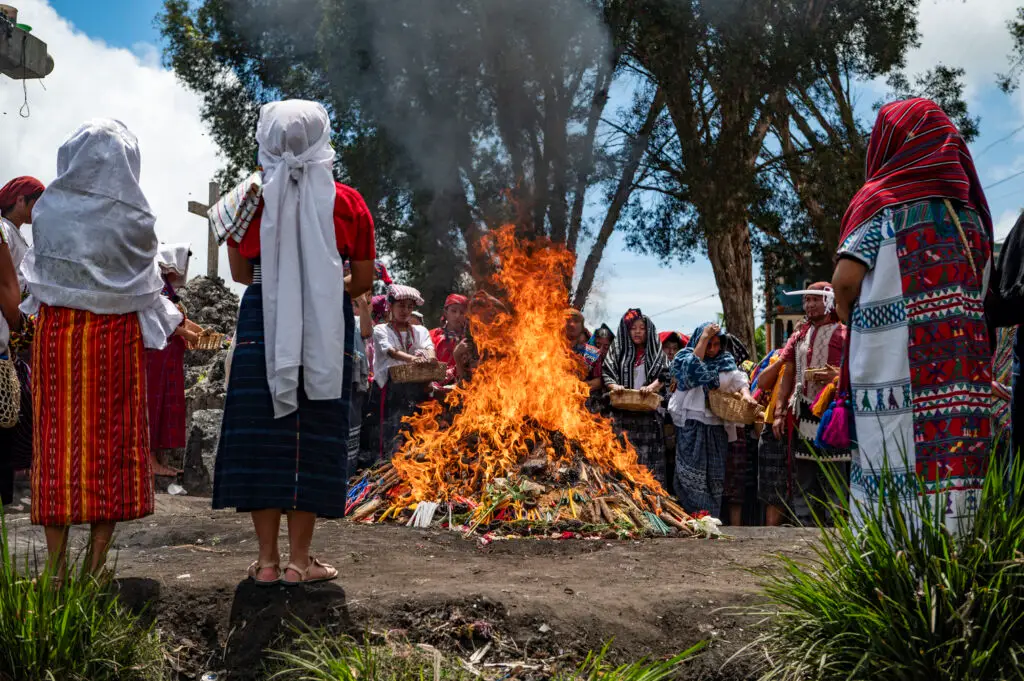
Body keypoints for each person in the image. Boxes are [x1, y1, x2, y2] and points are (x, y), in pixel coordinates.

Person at [214, 100, 375, 586]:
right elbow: (363, 279)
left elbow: (243, 274)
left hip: (265, 318)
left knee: (263, 435)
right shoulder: (348, 203)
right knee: (314, 432)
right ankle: (299, 562)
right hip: (326, 324)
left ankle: (265, 561)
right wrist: (318, 289)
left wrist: (285, 284)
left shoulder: (246, 199)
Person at [21, 119, 184, 575]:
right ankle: (94, 568)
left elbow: (43, 275)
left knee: (59, 443)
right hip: (114, 338)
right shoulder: (137, 220)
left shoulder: (48, 211)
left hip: (58, 335)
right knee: (110, 444)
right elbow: (146, 286)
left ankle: (55, 573)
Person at [832, 98, 993, 535]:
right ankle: (957, 567)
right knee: (955, 466)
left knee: (891, 457)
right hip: (961, 375)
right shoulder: (971, 215)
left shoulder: (881, 203)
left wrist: (855, 319)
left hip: (893, 372)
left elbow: (845, 281)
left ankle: (892, 572)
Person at [765, 283, 848, 526]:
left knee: (836, 470)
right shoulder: (798, 336)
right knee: (804, 471)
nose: (809, 305)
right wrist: (779, 413)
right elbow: (788, 373)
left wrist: (837, 377)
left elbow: (857, 369)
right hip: (802, 411)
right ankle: (805, 525)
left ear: (829, 302)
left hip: (833, 413)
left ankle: (837, 525)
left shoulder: (844, 333)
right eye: (807, 300)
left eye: (815, 299)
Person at [670, 323, 754, 518]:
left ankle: (711, 520)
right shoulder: (684, 358)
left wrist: (746, 395)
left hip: (716, 428)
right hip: (692, 426)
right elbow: (691, 371)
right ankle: (695, 518)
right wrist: (704, 338)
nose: (713, 349)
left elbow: (739, 381)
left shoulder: (726, 361)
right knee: (689, 477)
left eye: (717, 344)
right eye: (709, 344)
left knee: (714, 480)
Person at [0, 176, 43, 504]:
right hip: (9, 325)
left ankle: (11, 484)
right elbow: (9, 286)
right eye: (34, 202)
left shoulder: (16, 236)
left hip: (13, 328)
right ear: (19, 200)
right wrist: (20, 327)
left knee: (14, 408)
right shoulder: (4, 232)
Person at [146, 244, 200, 477]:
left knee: (164, 405)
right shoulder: (156, 283)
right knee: (154, 404)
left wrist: (192, 329)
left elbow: (175, 317)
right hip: (158, 353)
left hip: (168, 355)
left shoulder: (165, 286)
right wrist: (186, 333)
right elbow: (160, 316)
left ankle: (157, 458)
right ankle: (149, 459)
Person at [603, 309, 669, 486]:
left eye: (642, 328)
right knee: (624, 460)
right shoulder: (618, 352)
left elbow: (664, 375)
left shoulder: (656, 353)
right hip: (622, 415)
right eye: (633, 328)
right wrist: (614, 386)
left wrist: (651, 388)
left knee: (648, 467)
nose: (638, 331)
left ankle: (653, 500)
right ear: (627, 331)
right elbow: (607, 373)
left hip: (648, 416)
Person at [372, 284, 436, 459]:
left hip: (416, 388)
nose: (405, 310)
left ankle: (414, 469)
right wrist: (414, 359)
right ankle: (385, 467)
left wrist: (430, 358)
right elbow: (391, 351)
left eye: (409, 306)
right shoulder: (380, 330)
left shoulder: (420, 330)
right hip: (390, 390)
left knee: (415, 432)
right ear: (390, 306)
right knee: (390, 432)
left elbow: (429, 348)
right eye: (401, 305)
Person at [430, 293, 469, 388]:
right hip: (433, 390)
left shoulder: (471, 340)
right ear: (445, 312)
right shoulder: (432, 335)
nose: (457, 315)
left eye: (462, 312)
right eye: (453, 311)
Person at [585, 324, 614, 414]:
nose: (601, 350)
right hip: (586, 405)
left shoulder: (614, 362)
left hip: (606, 407)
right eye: (598, 345)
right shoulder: (586, 356)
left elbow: (601, 382)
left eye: (606, 347)